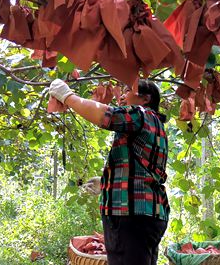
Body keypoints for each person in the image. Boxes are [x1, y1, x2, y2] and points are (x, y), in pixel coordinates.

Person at [49, 79, 169, 265]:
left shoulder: (140, 114)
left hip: (131, 214)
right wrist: (106, 182)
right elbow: (141, 169)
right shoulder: (154, 125)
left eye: (128, 90)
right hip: (149, 213)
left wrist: (68, 97)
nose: (121, 95)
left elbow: (106, 116)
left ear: (145, 99)